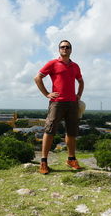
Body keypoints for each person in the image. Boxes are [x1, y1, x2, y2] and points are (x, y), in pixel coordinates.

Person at [34, 40, 84, 174]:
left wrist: (78, 94)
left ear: (71, 50)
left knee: (72, 132)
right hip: (57, 102)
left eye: (67, 47)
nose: (65, 49)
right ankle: (43, 162)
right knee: (49, 130)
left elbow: (80, 81)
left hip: (72, 103)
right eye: (62, 47)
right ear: (59, 50)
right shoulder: (53, 63)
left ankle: (71, 159)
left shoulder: (75, 66)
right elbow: (37, 78)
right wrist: (47, 94)